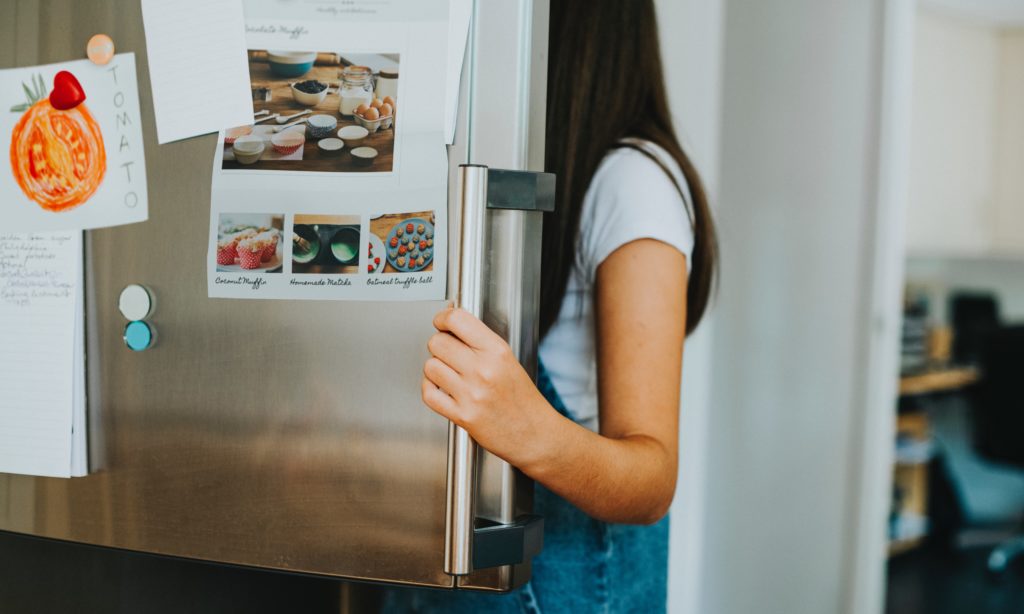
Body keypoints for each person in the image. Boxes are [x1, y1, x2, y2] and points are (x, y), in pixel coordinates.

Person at [384, 0, 717, 611]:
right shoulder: (501, 165)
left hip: (561, 590)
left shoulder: (633, 180)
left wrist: (524, 427)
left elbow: (652, 480)